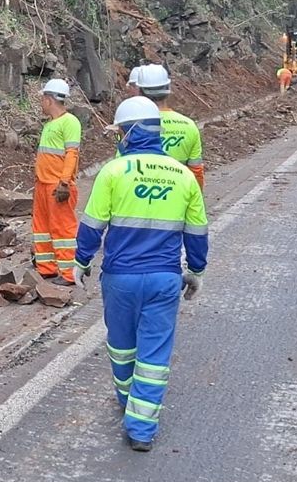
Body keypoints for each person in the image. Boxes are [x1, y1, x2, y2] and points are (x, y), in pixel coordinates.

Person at [72, 96, 208, 452]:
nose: (118, 138)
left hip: (121, 278)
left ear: (130, 132)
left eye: (119, 132)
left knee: (121, 346)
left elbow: (92, 225)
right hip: (164, 278)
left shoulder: (113, 172)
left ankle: (126, 398)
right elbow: (197, 232)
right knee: (155, 355)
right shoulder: (182, 176)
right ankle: (141, 429)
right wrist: (196, 270)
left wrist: (81, 261)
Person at [32, 78, 82, 285]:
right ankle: (47, 268)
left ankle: (69, 273)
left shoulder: (69, 122)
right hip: (43, 184)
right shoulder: (51, 124)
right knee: (42, 228)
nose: (41, 104)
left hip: (57, 185)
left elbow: (72, 153)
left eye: (42, 99)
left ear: (49, 99)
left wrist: (64, 182)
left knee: (63, 229)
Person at [130, 64, 204, 189]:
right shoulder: (189, 126)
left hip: (141, 194)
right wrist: (196, 197)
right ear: (168, 89)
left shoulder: (132, 126)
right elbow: (196, 171)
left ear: (140, 91)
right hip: (179, 194)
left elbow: (122, 169)